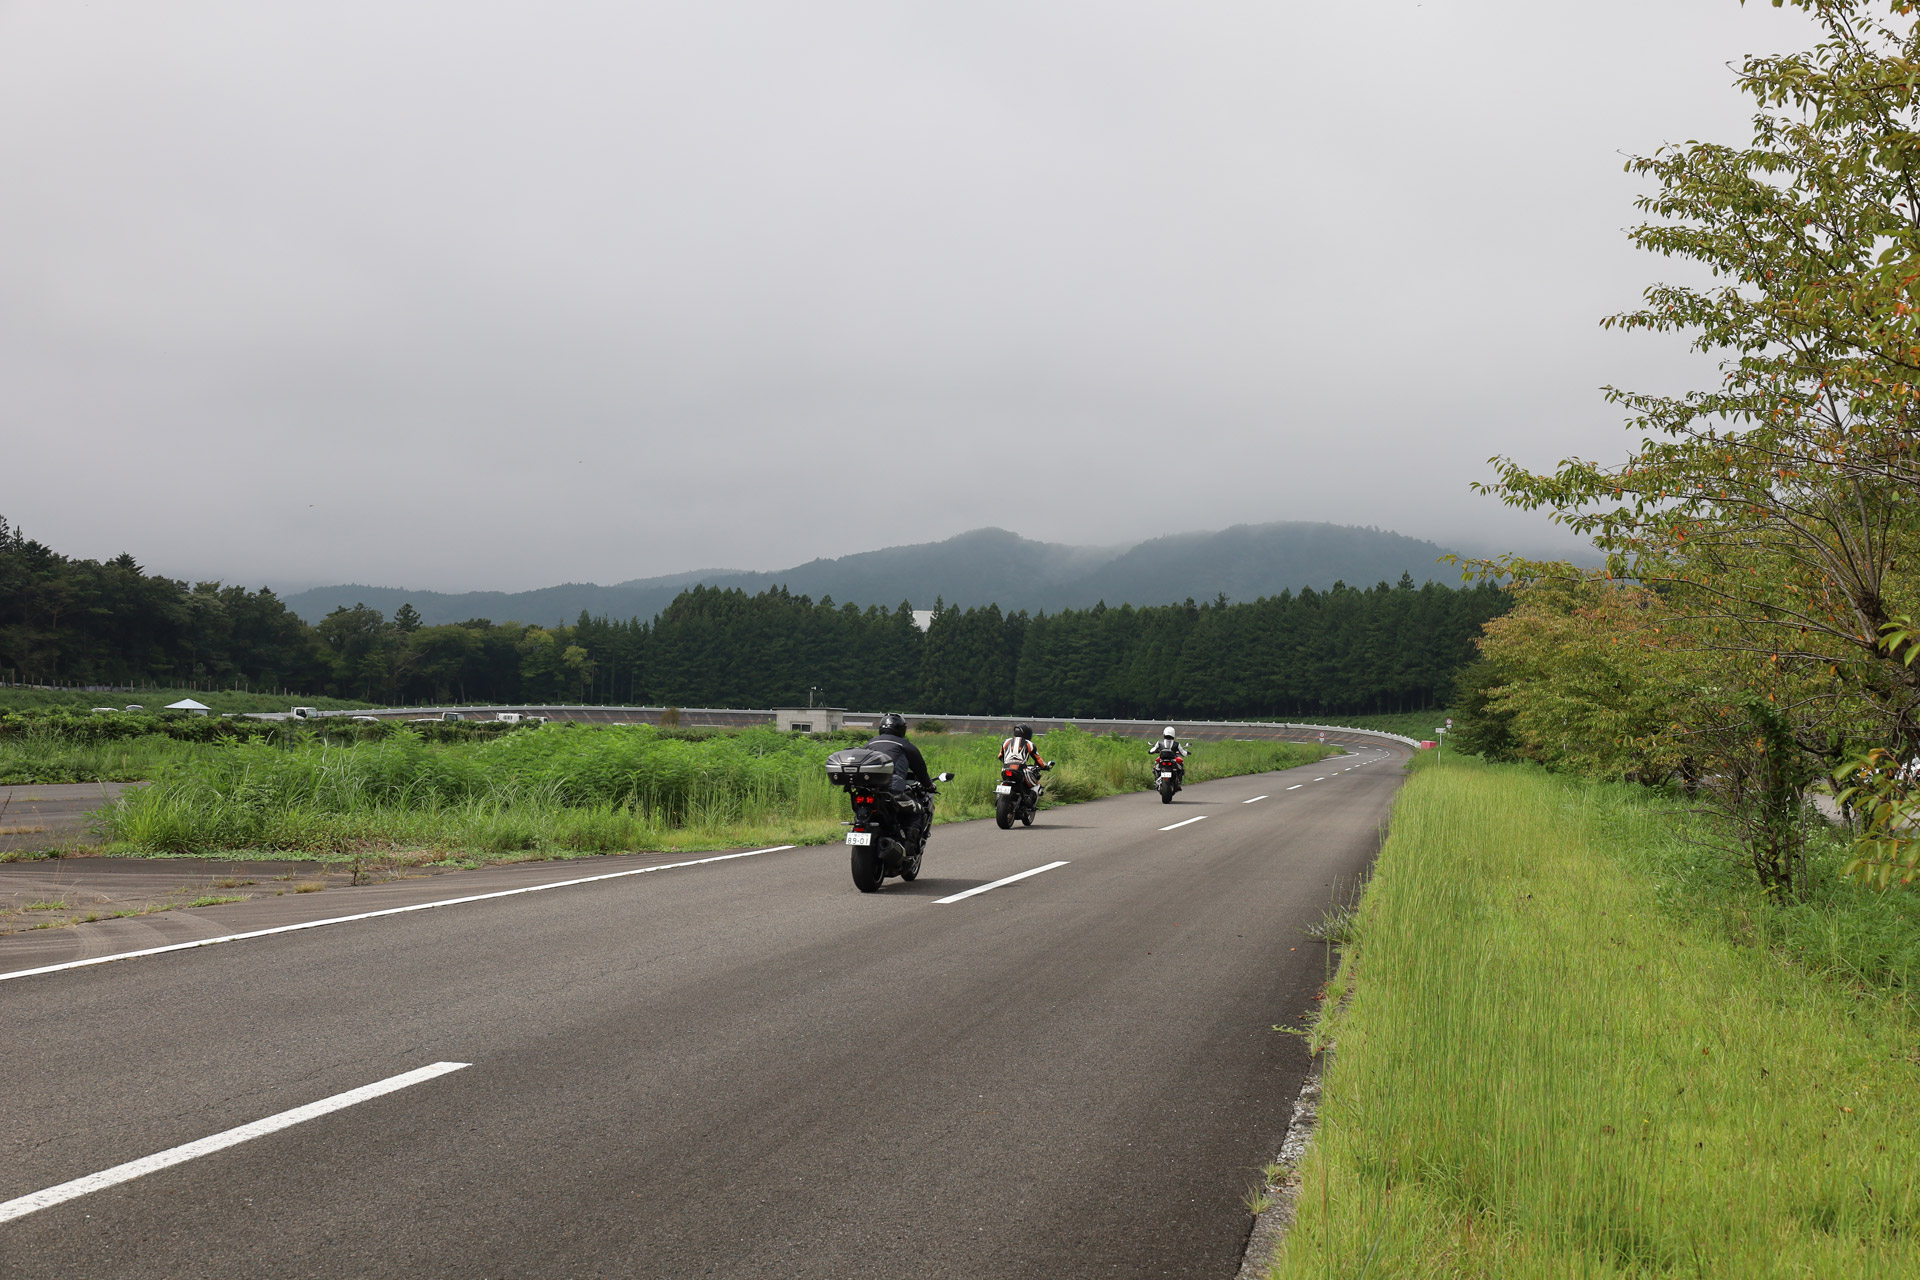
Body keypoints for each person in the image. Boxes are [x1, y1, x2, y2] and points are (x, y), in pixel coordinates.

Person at [865, 712, 934, 843]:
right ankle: (909, 848)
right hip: (892, 790)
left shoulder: (869, 744)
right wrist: (929, 785)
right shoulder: (905, 745)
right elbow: (920, 770)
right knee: (918, 811)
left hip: (869, 791)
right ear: (901, 729)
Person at [1000, 723, 1050, 793]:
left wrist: (1008, 763)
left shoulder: (1006, 742)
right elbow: (1038, 759)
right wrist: (1045, 766)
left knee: (1003, 782)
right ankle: (1029, 799)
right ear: (1026, 733)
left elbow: (1000, 756)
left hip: (1005, 768)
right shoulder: (1029, 743)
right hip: (1020, 769)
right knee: (1035, 785)